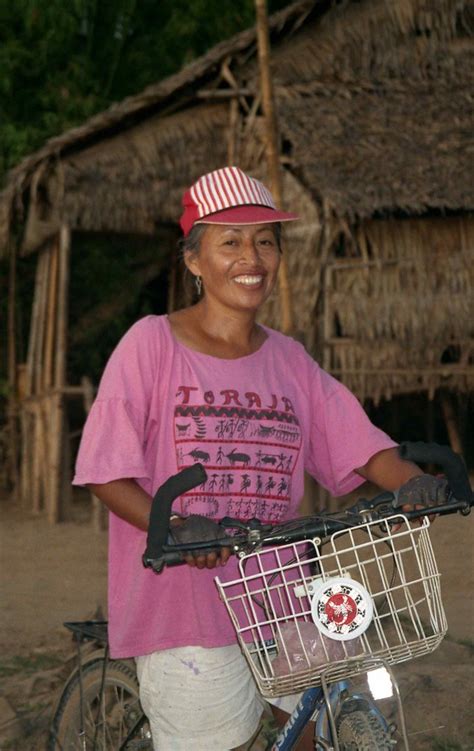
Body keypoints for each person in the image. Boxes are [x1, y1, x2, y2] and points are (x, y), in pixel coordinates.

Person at [73, 166, 447, 750]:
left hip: (281, 594)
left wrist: (416, 482)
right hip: (185, 607)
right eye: (231, 241)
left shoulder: (290, 361)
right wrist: (175, 525)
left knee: (314, 725)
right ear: (194, 260)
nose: (253, 256)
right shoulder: (151, 344)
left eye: (266, 241)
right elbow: (105, 471)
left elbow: (362, 444)